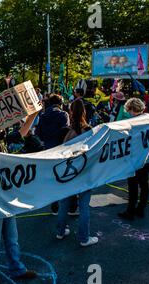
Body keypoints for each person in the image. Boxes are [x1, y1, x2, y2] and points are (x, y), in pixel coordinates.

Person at [0, 111, 40, 284]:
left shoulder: (4, 143)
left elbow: (22, 132)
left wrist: (33, 115)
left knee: (12, 237)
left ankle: (17, 269)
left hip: (7, 199)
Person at [55, 99, 98, 247]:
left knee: (64, 203)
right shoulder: (89, 130)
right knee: (84, 206)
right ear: (84, 112)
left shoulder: (65, 130)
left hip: (68, 173)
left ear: (70, 111)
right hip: (84, 173)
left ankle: (60, 231)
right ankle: (84, 238)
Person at [118, 98, 149, 220]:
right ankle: (141, 209)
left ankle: (130, 211)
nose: (128, 112)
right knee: (144, 184)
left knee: (133, 185)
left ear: (131, 109)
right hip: (147, 157)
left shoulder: (131, 123)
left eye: (129, 110)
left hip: (134, 157)